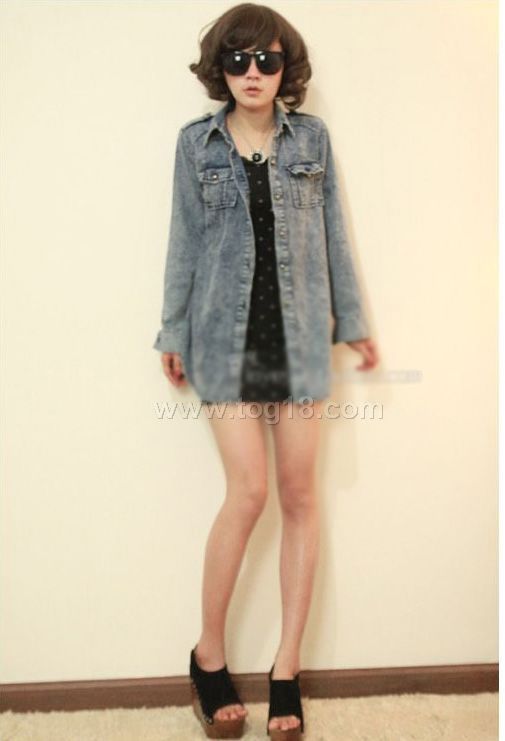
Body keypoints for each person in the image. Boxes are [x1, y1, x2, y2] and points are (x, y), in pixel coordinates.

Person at [153, 3, 379, 738]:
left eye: (268, 59)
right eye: (238, 59)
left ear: (287, 67)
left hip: (302, 341)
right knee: (248, 492)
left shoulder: (312, 139)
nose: (253, 73)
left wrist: (355, 323)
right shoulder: (195, 145)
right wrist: (172, 329)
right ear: (219, 67)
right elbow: (184, 241)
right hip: (223, 343)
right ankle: (208, 654)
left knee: (300, 496)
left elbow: (333, 235)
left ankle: (287, 667)